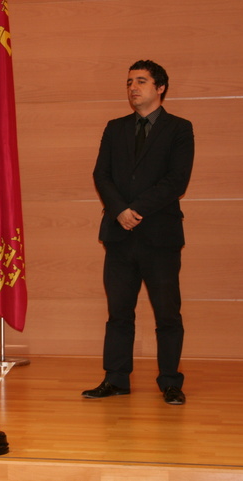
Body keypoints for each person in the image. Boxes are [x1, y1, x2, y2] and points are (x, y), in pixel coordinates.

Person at [84, 59, 194, 405]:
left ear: (160, 88)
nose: (133, 87)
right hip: (119, 235)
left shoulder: (179, 128)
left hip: (160, 237)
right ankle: (116, 379)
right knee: (119, 313)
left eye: (142, 81)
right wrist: (120, 211)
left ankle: (170, 381)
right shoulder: (115, 128)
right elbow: (101, 175)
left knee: (167, 314)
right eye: (130, 81)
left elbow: (176, 180)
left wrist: (137, 210)